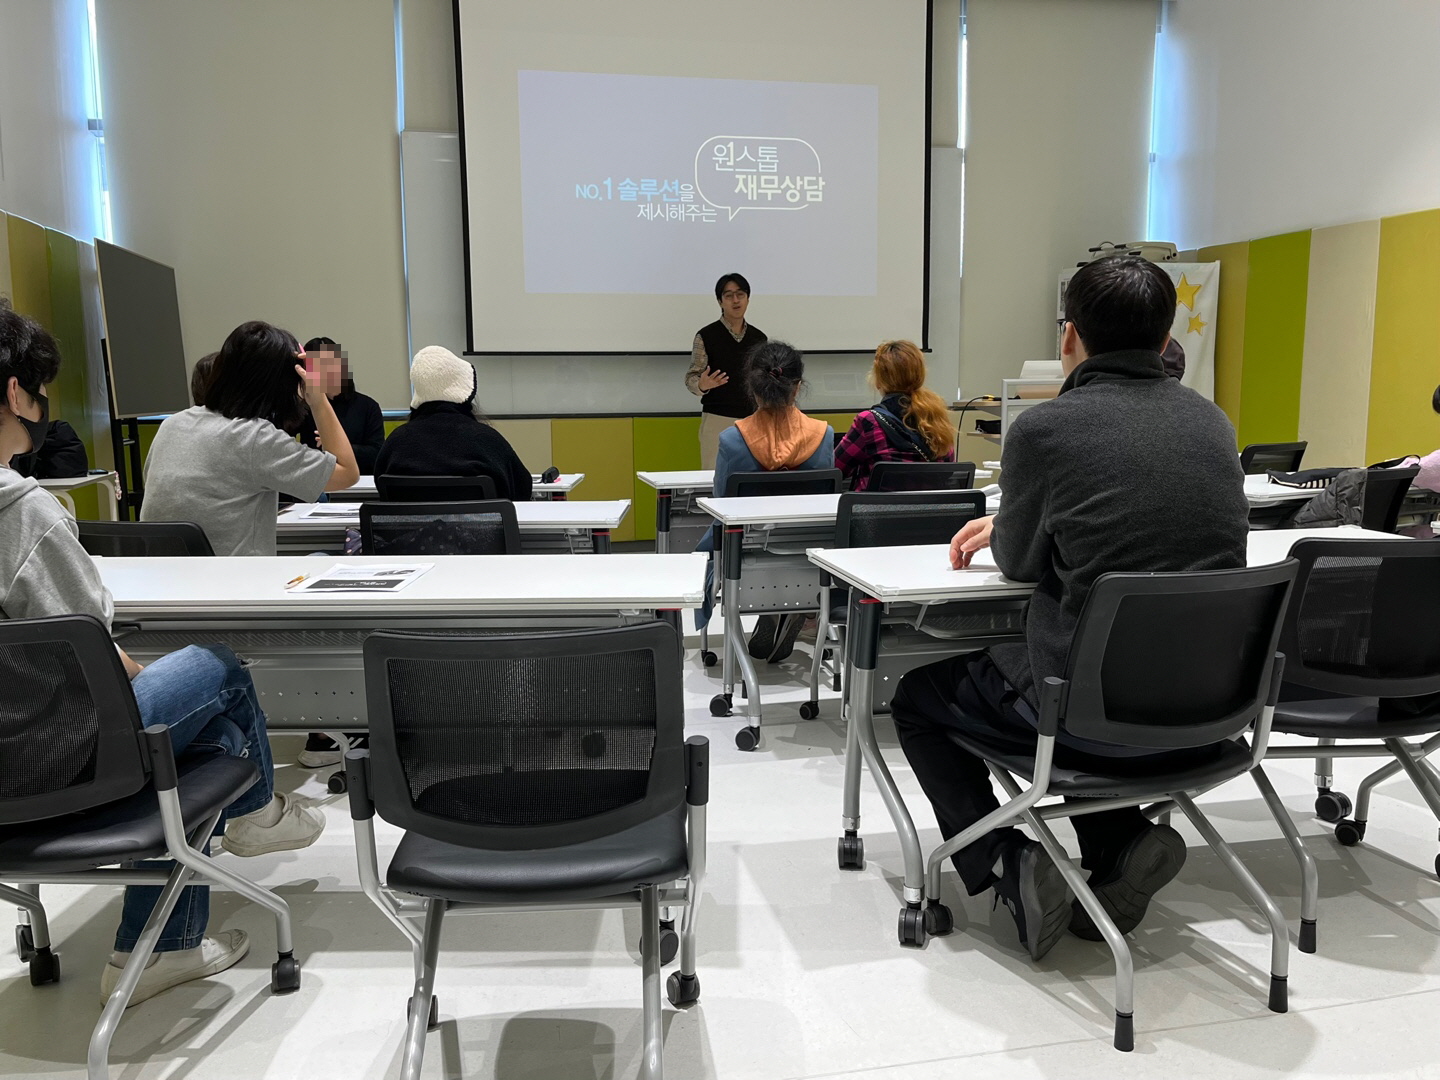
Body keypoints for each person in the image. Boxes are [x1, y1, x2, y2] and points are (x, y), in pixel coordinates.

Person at [889, 255, 1249, 961]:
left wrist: (1010, 524)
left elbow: (1022, 563)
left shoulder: (1046, 430)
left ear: (1069, 336)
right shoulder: (1213, 423)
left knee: (919, 698)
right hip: (1210, 713)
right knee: (1094, 666)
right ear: (1164, 337)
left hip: (1090, 718)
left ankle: (1005, 860)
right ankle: (1120, 842)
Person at [0, 306, 324, 1006]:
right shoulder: (23, 514)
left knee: (210, 732)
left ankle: (168, 939)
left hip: (13, 755)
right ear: (16, 393)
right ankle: (251, 819)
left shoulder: (176, 429)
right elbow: (89, 649)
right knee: (217, 674)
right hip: (55, 759)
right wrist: (148, 675)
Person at [140, 321, 359, 556]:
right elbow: (347, 473)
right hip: (234, 577)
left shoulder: (172, 425)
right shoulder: (254, 437)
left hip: (166, 575)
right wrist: (318, 399)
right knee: (322, 557)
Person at [696, 340, 834, 662]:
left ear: (753, 388)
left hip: (743, 562)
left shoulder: (732, 439)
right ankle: (789, 611)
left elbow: (722, 504)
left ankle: (768, 617)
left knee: (706, 549)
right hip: (809, 560)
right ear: (797, 387)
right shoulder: (824, 435)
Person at [373, 345, 532, 501]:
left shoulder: (396, 442)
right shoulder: (488, 440)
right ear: (466, 392)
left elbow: (381, 488)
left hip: (410, 521)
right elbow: (522, 489)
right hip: (477, 520)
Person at [834, 339, 957, 491]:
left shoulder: (869, 422)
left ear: (879, 381)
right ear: (920, 376)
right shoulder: (937, 419)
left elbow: (835, 470)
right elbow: (948, 471)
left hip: (876, 506)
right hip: (929, 506)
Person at [685, 273, 767, 469]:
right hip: (717, 419)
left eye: (740, 294)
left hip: (753, 419)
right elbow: (691, 378)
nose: (735, 300)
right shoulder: (706, 336)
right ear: (720, 301)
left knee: (753, 476)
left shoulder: (759, 339)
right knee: (714, 476)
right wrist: (702, 385)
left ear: (748, 299)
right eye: (729, 295)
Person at [295, 336, 385, 474]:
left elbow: (377, 454)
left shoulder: (368, 406)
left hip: (360, 479)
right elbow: (281, 440)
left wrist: (335, 445)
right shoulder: (304, 406)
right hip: (316, 478)